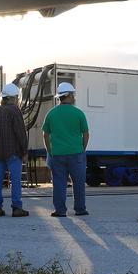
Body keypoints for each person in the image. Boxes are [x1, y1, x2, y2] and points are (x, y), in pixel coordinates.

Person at [42, 81, 90, 217]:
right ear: (68, 95)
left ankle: (60, 210)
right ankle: (80, 209)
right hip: (76, 153)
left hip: (57, 154)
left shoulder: (51, 113)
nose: (74, 96)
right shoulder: (79, 113)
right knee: (79, 183)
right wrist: (82, 149)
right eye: (73, 94)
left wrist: (49, 150)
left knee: (58, 183)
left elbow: (45, 134)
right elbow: (86, 134)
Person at [0, 83, 29, 217]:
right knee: (16, 181)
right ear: (14, 97)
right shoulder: (14, 110)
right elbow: (21, 133)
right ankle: (17, 208)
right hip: (13, 152)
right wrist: (25, 151)